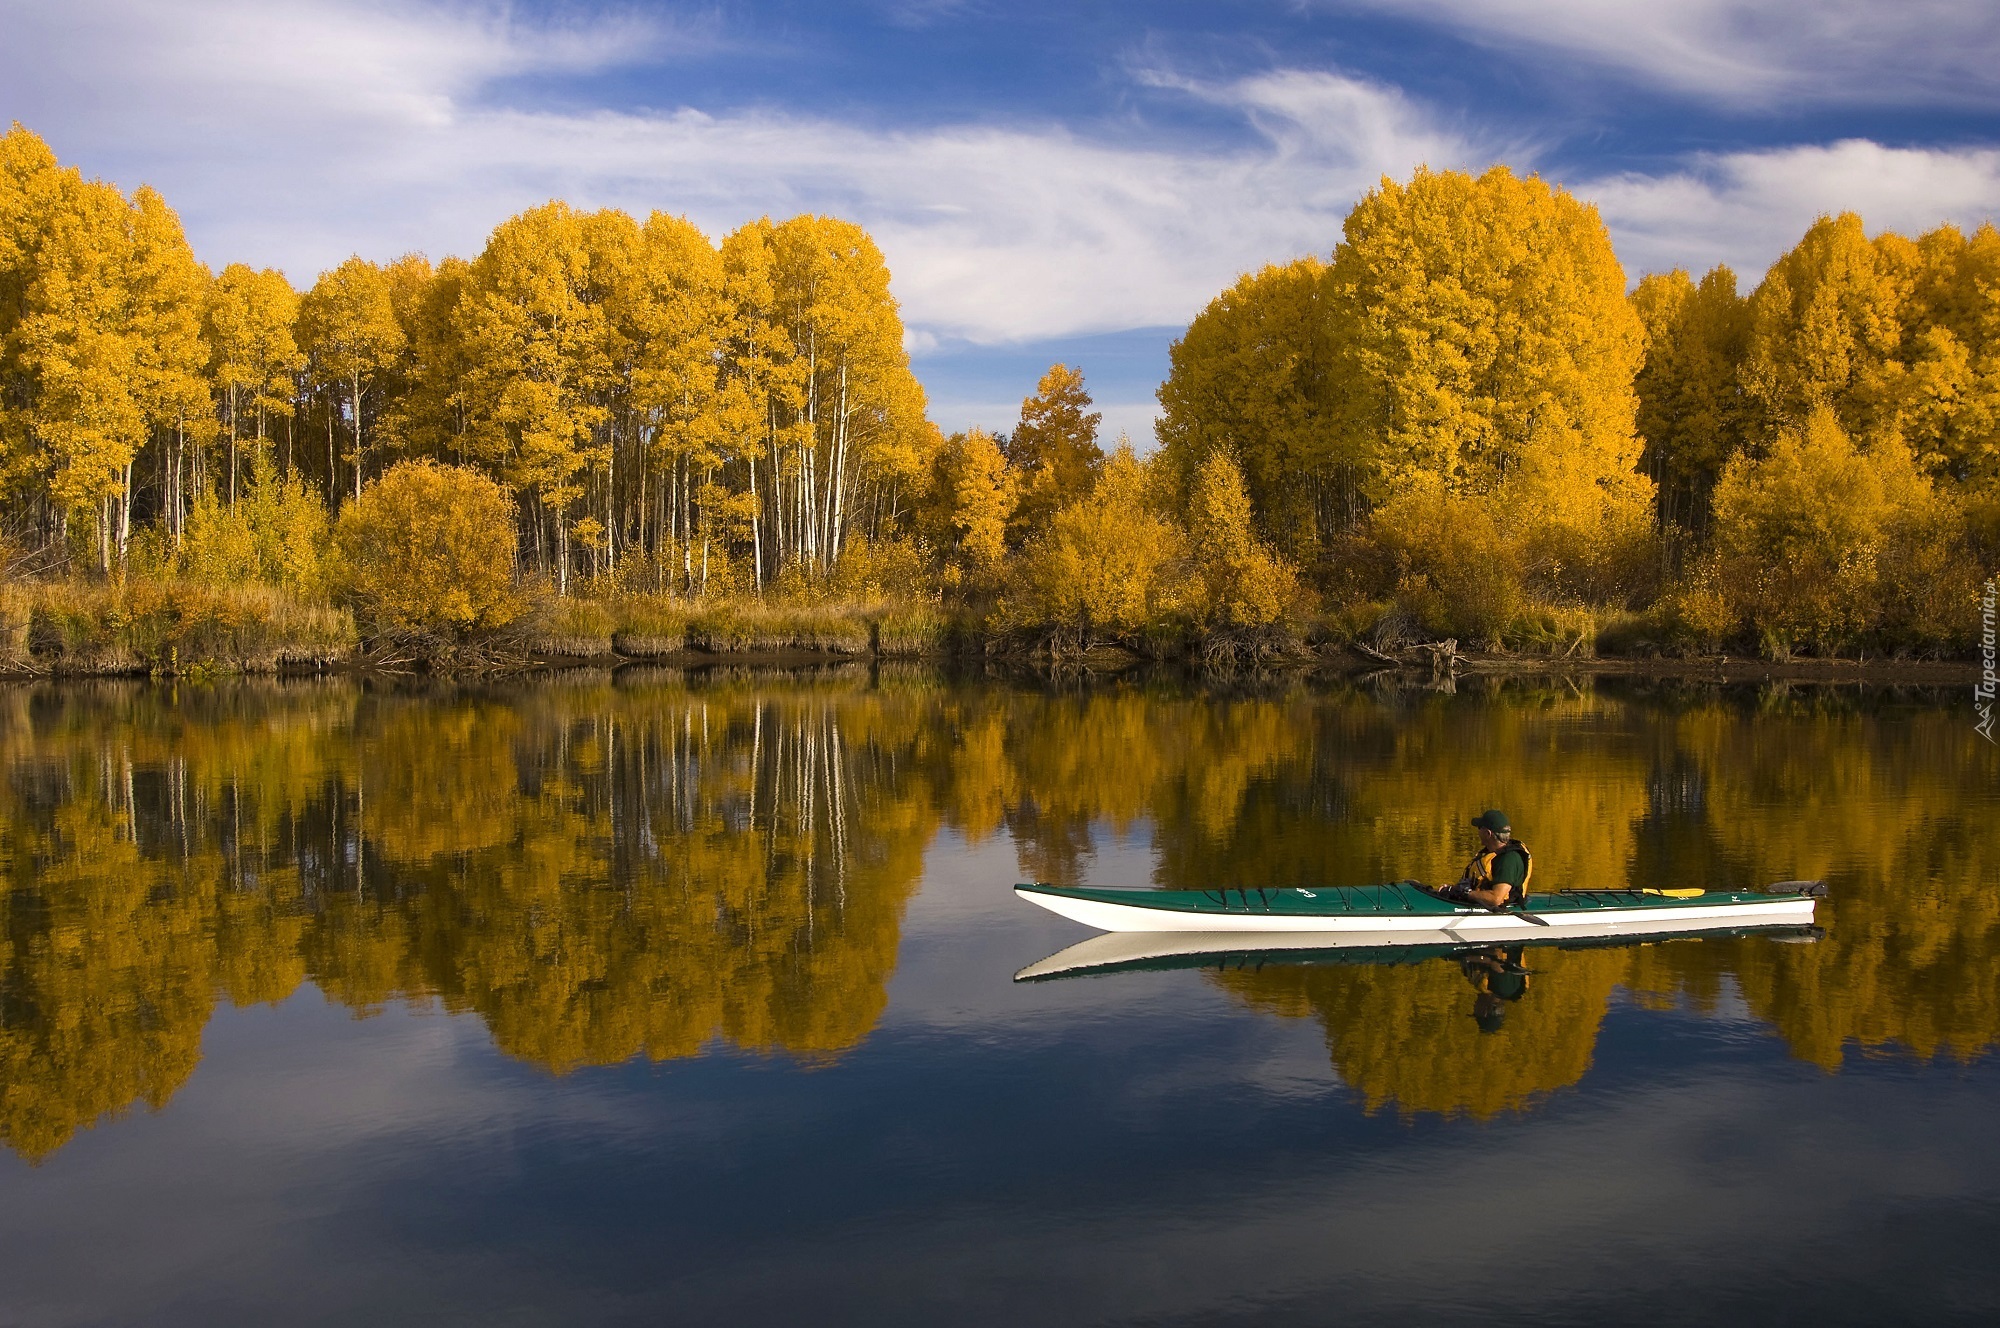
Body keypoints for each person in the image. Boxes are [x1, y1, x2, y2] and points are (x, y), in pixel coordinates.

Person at [1434, 810, 1531, 909]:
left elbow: (1496, 899)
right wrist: (1453, 890)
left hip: (1500, 908)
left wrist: (1466, 893)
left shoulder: (1508, 860)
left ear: (1488, 834)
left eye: (1480, 828)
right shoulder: (1492, 853)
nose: (1478, 832)